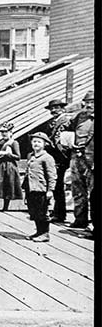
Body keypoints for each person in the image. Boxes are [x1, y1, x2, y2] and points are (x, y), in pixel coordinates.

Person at [39, 99, 74, 223]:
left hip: (62, 157)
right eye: (51, 109)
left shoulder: (67, 121)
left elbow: (67, 138)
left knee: (58, 185)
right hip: (52, 157)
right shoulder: (50, 123)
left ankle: (60, 214)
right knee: (54, 185)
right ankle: (58, 212)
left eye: (56, 108)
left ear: (62, 108)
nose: (53, 110)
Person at [66, 91, 94, 232]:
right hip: (77, 157)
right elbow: (66, 128)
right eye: (87, 102)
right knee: (77, 189)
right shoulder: (79, 116)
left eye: (92, 102)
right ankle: (80, 219)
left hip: (92, 159)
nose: (89, 105)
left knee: (94, 191)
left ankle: (94, 224)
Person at [25, 132, 57, 242]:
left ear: (44, 144)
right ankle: (38, 231)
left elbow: (51, 175)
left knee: (42, 212)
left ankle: (45, 233)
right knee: (34, 212)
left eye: (39, 142)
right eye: (34, 141)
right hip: (31, 188)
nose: (36, 144)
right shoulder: (31, 156)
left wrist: (50, 190)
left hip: (41, 189)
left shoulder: (47, 158)